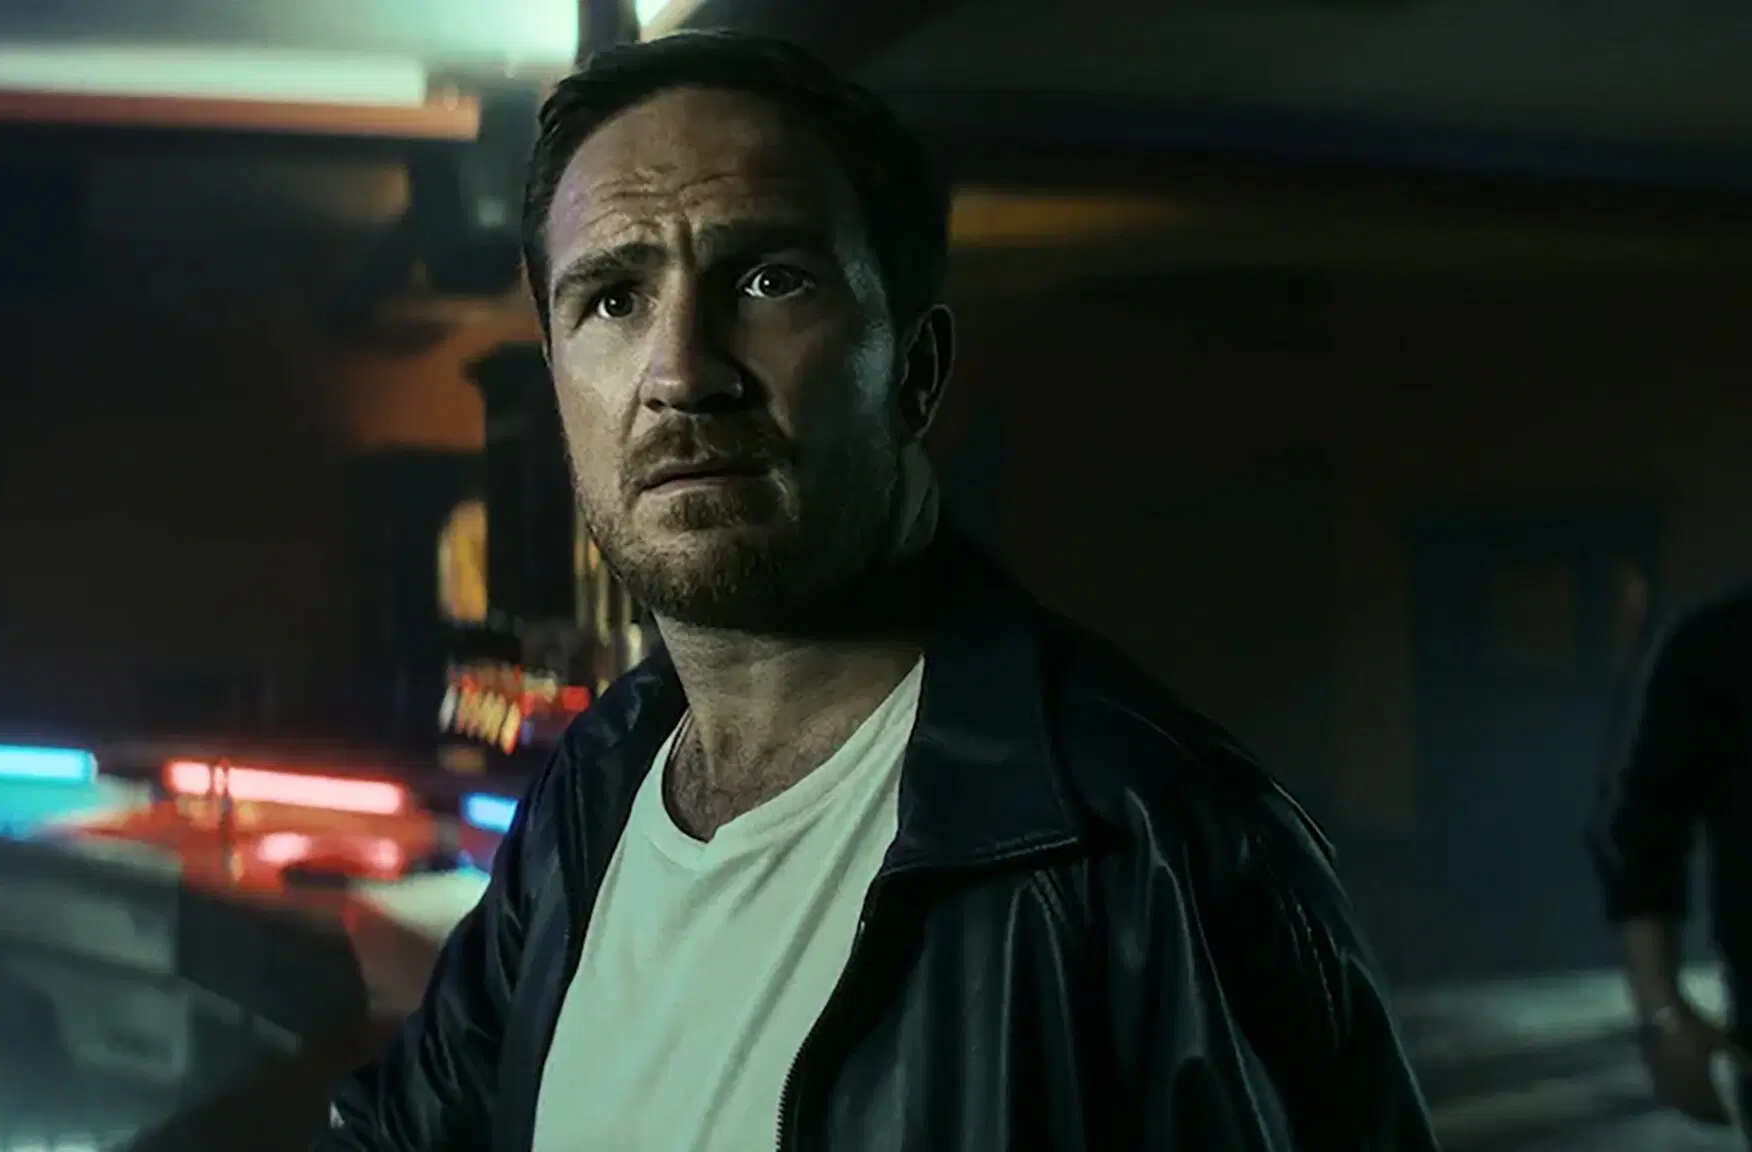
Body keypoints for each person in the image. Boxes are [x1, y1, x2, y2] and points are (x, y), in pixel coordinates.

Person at [320, 31, 1435, 1152]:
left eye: (769, 281)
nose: (681, 373)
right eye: (613, 299)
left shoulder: (1157, 850)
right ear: (561, 381)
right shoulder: (592, 789)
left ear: (914, 370)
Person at [1592, 589, 1752, 1133]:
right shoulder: (1720, 645)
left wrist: (1662, 1011)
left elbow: (1642, 832)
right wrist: (1661, 1012)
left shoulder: (1716, 643)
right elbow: (1644, 831)